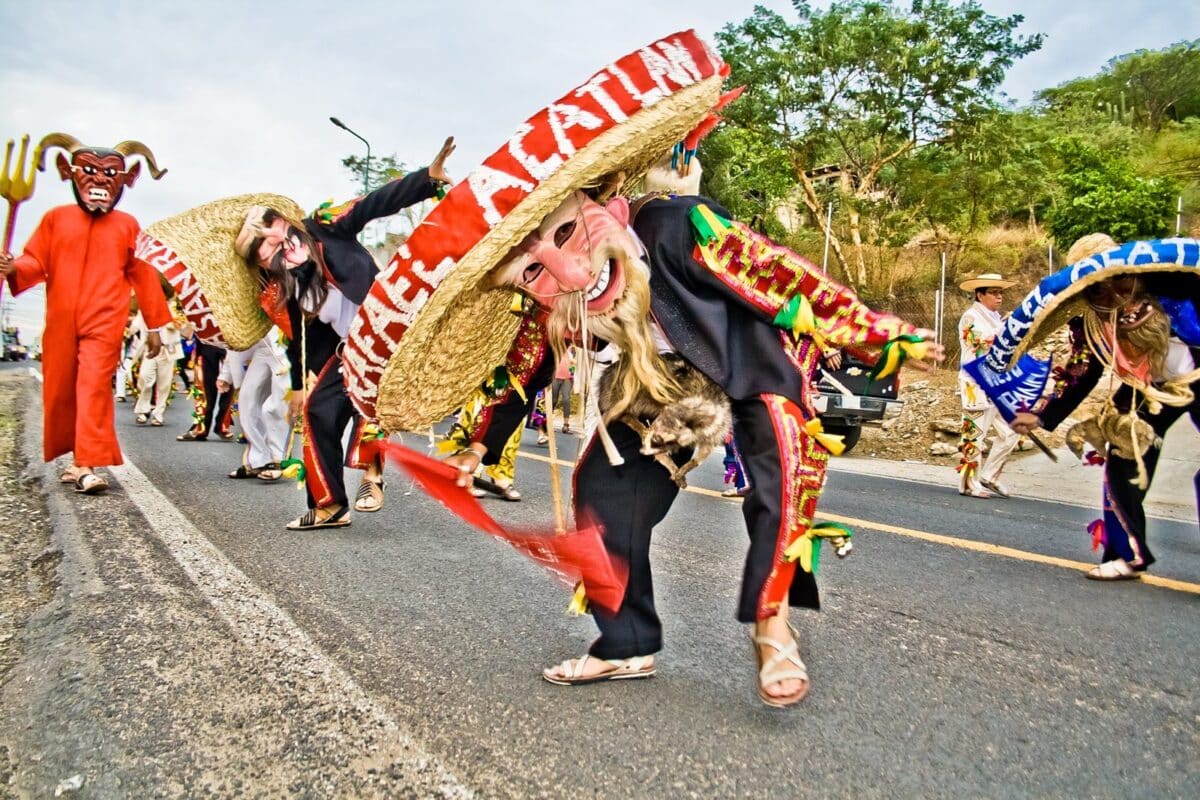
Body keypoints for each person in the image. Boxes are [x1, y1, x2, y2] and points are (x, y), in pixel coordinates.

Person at [346, 37, 943, 708]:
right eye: (534, 270)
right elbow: (525, 373)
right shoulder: (558, 310)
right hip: (656, 392)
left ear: (604, 205)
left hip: (747, 363)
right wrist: (478, 447)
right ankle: (625, 642)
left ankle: (772, 628)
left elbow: (785, 282)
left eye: (568, 234)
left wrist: (880, 336)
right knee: (603, 492)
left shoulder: (683, 228)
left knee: (779, 464)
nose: (570, 271)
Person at [235, 136, 456, 530]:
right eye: (272, 256)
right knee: (319, 410)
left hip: (386, 329)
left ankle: (371, 476)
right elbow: (299, 340)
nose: (286, 252)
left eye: (283, 241)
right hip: (343, 349)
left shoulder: (325, 227)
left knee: (370, 400)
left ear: (287, 226)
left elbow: (373, 203)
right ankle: (329, 506)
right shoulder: (283, 287)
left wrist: (427, 178)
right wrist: (302, 381)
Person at [1008, 234, 1200, 580]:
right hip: (1147, 387)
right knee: (1121, 456)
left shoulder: (1181, 283)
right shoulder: (1089, 322)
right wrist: (1040, 415)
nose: (1116, 298)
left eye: (1120, 282)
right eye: (1098, 290)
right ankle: (1127, 554)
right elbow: (1083, 371)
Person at [0, 132, 170, 494]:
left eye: (111, 174)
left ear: (126, 179)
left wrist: (155, 324)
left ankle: (85, 463)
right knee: (60, 388)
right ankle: (74, 458)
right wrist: (14, 267)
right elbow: (35, 260)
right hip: (60, 319)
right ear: (69, 172)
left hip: (105, 320)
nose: (100, 181)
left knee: (93, 384)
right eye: (90, 171)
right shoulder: (54, 218)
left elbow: (144, 275)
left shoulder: (127, 225)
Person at [956, 273, 1022, 498]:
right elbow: (978, 344)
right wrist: (1006, 334)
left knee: (1011, 430)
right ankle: (968, 482)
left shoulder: (994, 317)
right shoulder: (970, 317)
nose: (999, 297)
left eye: (1000, 292)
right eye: (993, 292)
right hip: (975, 382)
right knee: (975, 433)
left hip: (996, 382)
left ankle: (990, 475)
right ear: (979, 294)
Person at [219, 329, 290, 481]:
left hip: (287, 347)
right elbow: (234, 333)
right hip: (261, 348)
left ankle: (277, 460)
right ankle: (258, 459)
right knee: (247, 399)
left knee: (277, 406)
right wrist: (226, 374)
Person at [131, 311, 183, 426]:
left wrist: (174, 320)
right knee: (145, 378)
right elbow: (135, 326)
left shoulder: (172, 308)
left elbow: (180, 325)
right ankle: (144, 409)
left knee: (164, 384)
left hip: (166, 350)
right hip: (149, 349)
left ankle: (158, 413)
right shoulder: (144, 308)